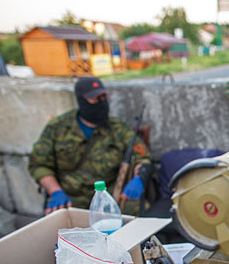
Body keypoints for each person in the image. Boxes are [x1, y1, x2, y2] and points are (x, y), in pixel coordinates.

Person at [28, 76, 152, 215]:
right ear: (82, 100)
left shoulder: (118, 128)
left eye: (103, 98)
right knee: (56, 223)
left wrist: (139, 178)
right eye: (95, 99)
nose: (101, 103)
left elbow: (142, 157)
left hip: (109, 194)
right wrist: (55, 191)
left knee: (137, 214)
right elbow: (39, 164)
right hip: (72, 197)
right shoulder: (58, 128)